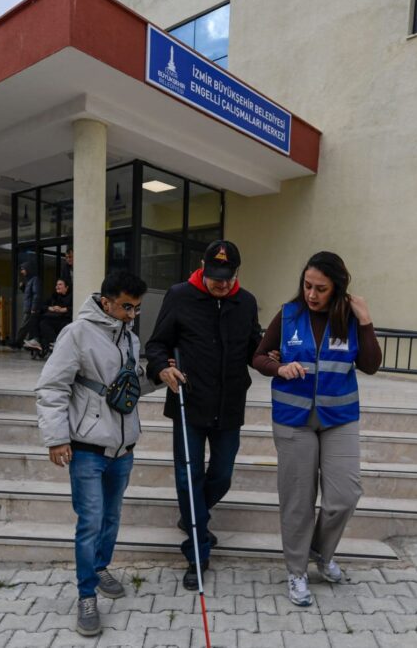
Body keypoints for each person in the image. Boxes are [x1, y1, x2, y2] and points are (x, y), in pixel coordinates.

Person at [251, 251, 380, 606]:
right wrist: (279, 368)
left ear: (337, 287)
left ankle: (320, 553)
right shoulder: (289, 315)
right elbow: (259, 356)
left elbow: (370, 364)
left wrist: (366, 321)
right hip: (293, 419)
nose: (311, 294)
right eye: (307, 285)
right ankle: (296, 571)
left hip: (339, 418)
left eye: (320, 288)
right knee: (298, 501)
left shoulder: (349, 318)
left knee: (344, 495)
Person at [35, 270, 149, 637]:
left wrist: (160, 376)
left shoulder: (130, 337)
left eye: (137, 308)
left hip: (123, 448)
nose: (132, 314)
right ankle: (86, 596)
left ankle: (100, 568)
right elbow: (52, 387)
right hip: (87, 448)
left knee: (111, 517)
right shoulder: (77, 334)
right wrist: (56, 438)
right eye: (126, 307)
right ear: (106, 302)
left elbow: (128, 386)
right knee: (90, 522)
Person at [145, 239, 262, 590]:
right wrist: (161, 368)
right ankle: (197, 553)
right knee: (188, 478)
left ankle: (192, 515)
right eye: (215, 277)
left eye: (227, 277)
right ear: (202, 268)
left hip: (229, 404)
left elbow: (254, 349)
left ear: (237, 273)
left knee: (222, 475)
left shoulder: (246, 302)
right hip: (189, 401)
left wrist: (274, 356)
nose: (221, 284)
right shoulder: (179, 296)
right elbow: (156, 344)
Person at [35, 278, 73, 350]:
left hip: (65, 320)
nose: (57, 287)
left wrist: (64, 309)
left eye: (60, 284)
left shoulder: (72, 297)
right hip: (55, 318)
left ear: (67, 287)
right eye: (56, 285)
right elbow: (42, 305)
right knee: (36, 317)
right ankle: (36, 340)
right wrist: (50, 308)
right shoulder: (54, 296)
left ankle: (55, 342)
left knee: (44, 323)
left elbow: (75, 307)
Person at [17, 260, 42, 351]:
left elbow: (36, 294)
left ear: (28, 269)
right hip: (28, 308)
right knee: (29, 326)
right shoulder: (29, 281)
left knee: (24, 326)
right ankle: (24, 342)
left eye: (23, 269)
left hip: (30, 308)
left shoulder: (35, 280)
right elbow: (29, 294)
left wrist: (34, 307)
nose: (22, 271)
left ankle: (17, 342)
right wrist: (23, 288)